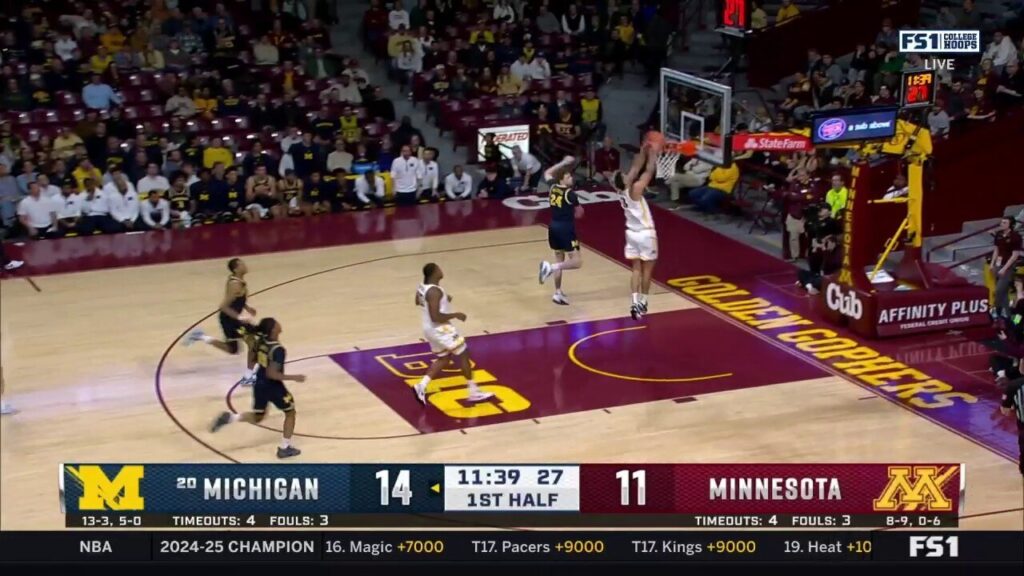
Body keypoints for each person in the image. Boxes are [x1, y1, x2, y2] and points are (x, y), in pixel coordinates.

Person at [210, 317, 305, 459]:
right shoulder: (278, 350)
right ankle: (284, 448)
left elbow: (252, 355)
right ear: (273, 330)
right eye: (276, 323)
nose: (279, 323)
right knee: (290, 412)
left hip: (259, 383)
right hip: (273, 386)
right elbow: (272, 374)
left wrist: (250, 372)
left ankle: (231, 418)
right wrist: (294, 377)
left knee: (258, 416)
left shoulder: (261, 341)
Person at [412, 263, 494, 404]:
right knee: (463, 354)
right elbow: (435, 317)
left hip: (428, 329)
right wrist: (455, 314)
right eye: (439, 268)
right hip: (440, 329)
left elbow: (417, 301)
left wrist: (441, 300)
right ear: (434, 273)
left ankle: (421, 385)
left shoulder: (423, 287)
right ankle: (473, 392)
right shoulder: (434, 292)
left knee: (444, 359)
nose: (441, 270)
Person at [185, 258, 259, 387]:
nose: (245, 266)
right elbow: (224, 306)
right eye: (242, 264)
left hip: (232, 319)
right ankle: (248, 377)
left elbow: (237, 300)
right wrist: (240, 318)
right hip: (230, 320)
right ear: (236, 269)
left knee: (233, 349)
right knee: (253, 342)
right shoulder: (234, 284)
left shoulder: (239, 282)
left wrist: (247, 308)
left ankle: (201, 336)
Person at [614, 142, 660, 320]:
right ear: (625, 180)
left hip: (631, 233)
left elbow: (634, 167)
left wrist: (642, 151)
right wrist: (653, 155)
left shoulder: (621, 190)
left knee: (635, 269)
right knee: (648, 270)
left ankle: (634, 302)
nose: (628, 174)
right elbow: (647, 171)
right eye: (625, 175)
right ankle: (644, 301)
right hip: (645, 233)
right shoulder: (636, 189)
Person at [538, 156, 584, 305]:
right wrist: (577, 210)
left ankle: (557, 293)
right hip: (566, 228)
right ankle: (550, 268)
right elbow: (580, 213)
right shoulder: (571, 194)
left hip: (553, 227)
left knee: (559, 258)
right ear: (562, 180)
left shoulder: (552, 187)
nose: (571, 178)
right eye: (568, 176)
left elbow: (547, 173)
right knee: (577, 262)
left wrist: (563, 163)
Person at [991, 216, 1022, 318]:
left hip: (1007, 266)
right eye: (1001, 222)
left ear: (1010, 225)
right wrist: (992, 264)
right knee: (1003, 292)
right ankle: (1007, 315)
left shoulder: (1015, 237)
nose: (1002, 224)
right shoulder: (998, 235)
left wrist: (1004, 268)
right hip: (997, 265)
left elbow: (1015, 255)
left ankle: (996, 310)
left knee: (998, 290)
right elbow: (996, 250)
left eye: (1004, 223)